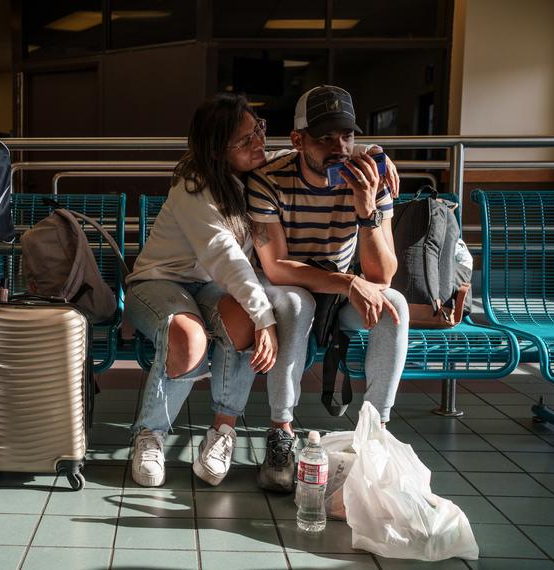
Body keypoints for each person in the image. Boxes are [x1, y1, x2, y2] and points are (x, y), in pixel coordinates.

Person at [247, 85, 409, 492]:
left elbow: (383, 275)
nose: (340, 147)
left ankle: (374, 432)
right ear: (298, 140)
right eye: (325, 138)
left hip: (340, 289)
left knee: (394, 305)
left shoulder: (371, 178)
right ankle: (281, 432)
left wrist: (367, 209)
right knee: (295, 304)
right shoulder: (268, 180)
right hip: (293, 283)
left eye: (347, 135)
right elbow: (278, 268)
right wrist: (350, 282)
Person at [125, 93, 278, 488]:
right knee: (189, 337)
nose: (258, 142)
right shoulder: (193, 188)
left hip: (208, 287)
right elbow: (226, 256)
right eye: (245, 140)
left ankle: (222, 432)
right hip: (158, 283)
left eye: (259, 129)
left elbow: (323, 152)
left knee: (242, 320)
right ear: (216, 150)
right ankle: (150, 434)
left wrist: (370, 153)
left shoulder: (258, 174)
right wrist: (268, 317)